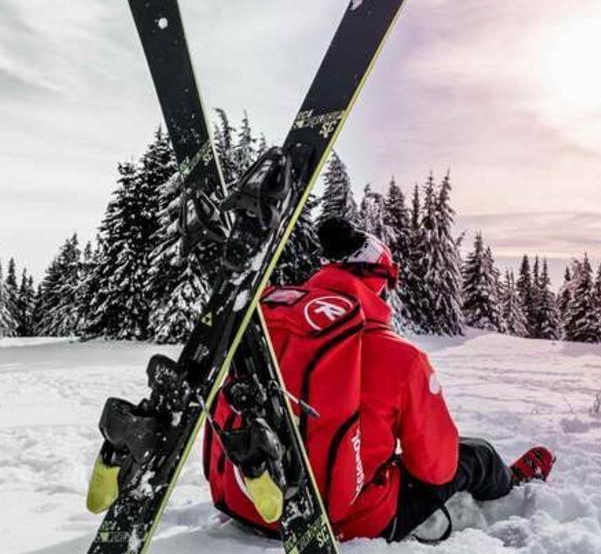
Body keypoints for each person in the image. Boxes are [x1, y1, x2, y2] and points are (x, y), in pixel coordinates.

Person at [205, 216, 554, 543]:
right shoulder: (400, 356)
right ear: (378, 283)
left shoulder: (273, 320)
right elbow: (436, 467)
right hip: (351, 517)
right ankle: (512, 484)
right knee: (477, 455)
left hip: (239, 498)